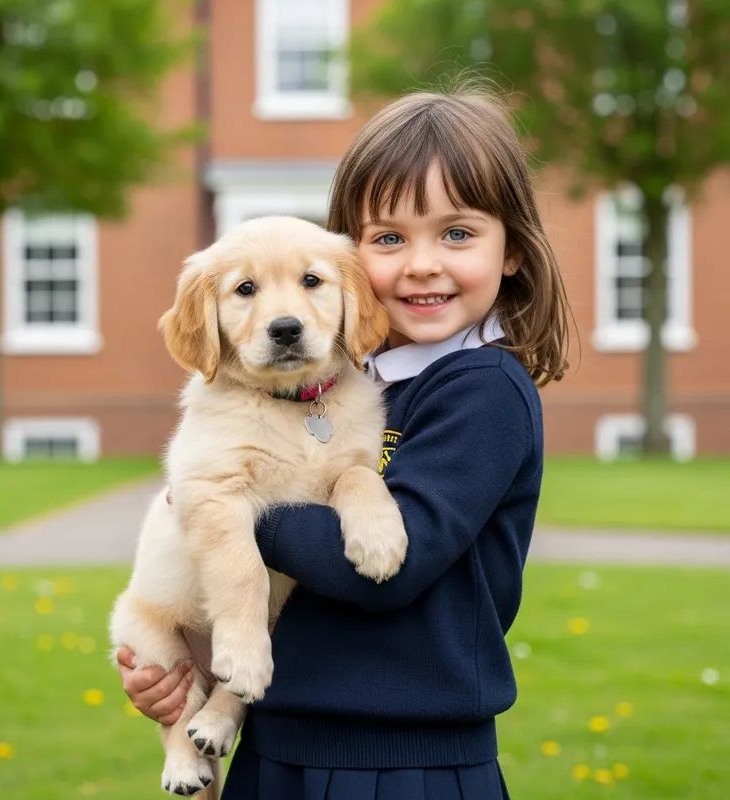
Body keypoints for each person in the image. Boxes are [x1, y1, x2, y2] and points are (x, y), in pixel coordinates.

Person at [118, 87, 570, 799]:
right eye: (389, 238)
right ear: (359, 259)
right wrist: (187, 676)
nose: (421, 264)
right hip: (278, 739)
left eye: (457, 233)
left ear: (513, 249)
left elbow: (391, 562)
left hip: (402, 761)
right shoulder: (360, 382)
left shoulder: (483, 391)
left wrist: (227, 506)